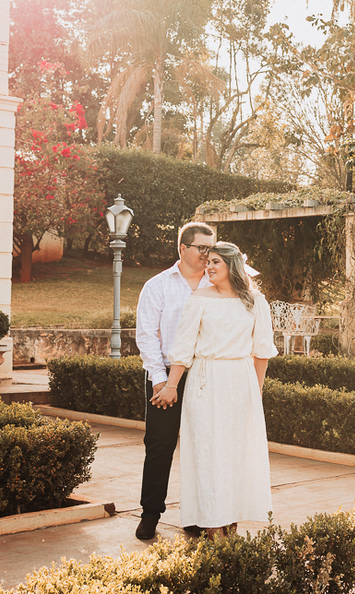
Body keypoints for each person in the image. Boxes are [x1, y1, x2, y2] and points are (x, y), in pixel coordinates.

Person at [156, 241, 277, 538]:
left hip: (240, 381)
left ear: (231, 266)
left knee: (236, 455)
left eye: (216, 263)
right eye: (208, 261)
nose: (208, 267)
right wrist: (171, 385)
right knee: (207, 454)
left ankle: (231, 524)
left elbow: (262, 351)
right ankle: (211, 525)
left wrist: (256, 393)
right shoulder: (199, 299)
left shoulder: (255, 301)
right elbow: (183, 348)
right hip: (205, 382)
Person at [134, 221, 216, 541]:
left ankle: (195, 516)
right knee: (159, 447)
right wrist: (159, 380)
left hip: (206, 378)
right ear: (183, 248)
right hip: (165, 376)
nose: (207, 255)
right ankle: (150, 514)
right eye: (202, 248)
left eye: (212, 248)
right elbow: (147, 337)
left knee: (201, 449)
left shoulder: (217, 285)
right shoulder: (157, 286)